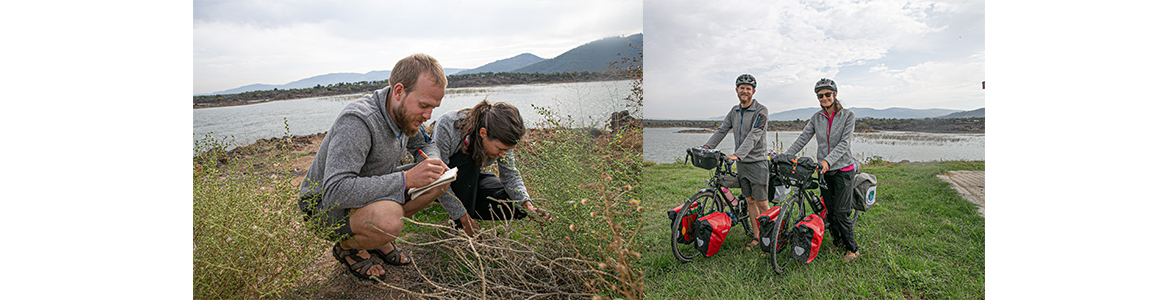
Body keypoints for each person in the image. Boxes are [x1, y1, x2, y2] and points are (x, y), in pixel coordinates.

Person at [298, 53, 466, 281]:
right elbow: (335, 191)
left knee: (437, 184)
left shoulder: (404, 114)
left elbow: (426, 142)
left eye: (433, 108)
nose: (427, 115)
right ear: (399, 91)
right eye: (424, 106)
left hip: (369, 190)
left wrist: (431, 162)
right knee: (390, 219)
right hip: (323, 208)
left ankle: (378, 237)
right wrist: (406, 179)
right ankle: (349, 247)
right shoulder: (358, 121)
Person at [432, 100, 552, 235]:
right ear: (483, 133)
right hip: (438, 182)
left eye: (507, 150)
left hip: (471, 180)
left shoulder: (503, 137)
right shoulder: (448, 125)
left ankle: (466, 207)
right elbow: (438, 179)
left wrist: (527, 205)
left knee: (516, 206)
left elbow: (510, 175)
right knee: (468, 160)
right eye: (500, 149)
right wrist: (464, 219)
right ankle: (458, 227)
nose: (502, 154)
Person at [783, 78, 861, 261]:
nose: (824, 98)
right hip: (824, 171)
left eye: (827, 94)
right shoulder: (817, 118)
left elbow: (844, 143)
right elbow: (803, 138)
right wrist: (786, 156)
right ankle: (838, 243)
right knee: (830, 210)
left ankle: (852, 249)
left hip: (843, 170)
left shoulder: (848, 115)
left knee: (842, 212)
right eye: (820, 96)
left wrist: (827, 160)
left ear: (834, 94)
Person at [702, 74, 770, 250]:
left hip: (757, 162)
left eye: (748, 88)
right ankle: (757, 237)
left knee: (762, 202)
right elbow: (722, 129)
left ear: (753, 91)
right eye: (742, 88)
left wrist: (737, 154)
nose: (745, 91)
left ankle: (770, 238)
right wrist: (707, 146)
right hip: (742, 164)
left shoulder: (761, 111)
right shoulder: (734, 111)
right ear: (737, 90)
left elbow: (755, 135)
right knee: (750, 201)